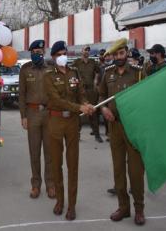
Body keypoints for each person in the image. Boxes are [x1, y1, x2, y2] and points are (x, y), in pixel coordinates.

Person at [44, 40, 95, 221]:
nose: (62, 57)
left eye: (64, 53)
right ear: (53, 57)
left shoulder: (74, 73)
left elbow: (81, 93)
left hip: (73, 123)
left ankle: (71, 205)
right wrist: (78, 107)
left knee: (73, 164)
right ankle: (60, 200)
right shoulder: (48, 76)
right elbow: (56, 100)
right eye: (58, 55)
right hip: (55, 121)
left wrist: (86, 103)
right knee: (56, 164)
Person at [98, 38, 146, 226]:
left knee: (135, 171)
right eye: (115, 54)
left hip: (133, 128)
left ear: (126, 53)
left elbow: (146, 97)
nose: (118, 57)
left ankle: (139, 209)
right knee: (118, 170)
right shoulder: (107, 73)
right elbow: (101, 95)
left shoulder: (138, 73)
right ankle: (123, 208)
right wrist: (103, 109)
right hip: (115, 128)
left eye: (121, 53)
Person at [19, 39, 55, 199]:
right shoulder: (25, 69)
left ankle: (51, 185)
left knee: (49, 152)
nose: (37, 55)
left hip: (49, 114)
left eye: (40, 53)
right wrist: (23, 116)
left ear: (44, 52)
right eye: (34, 53)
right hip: (32, 114)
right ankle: (35, 185)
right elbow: (21, 94)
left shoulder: (51, 68)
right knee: (34, 152)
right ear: (31, 53)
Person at [73, 45, 103, 143]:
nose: (86, 52)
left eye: (88, 50)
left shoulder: (93, 62)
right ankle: (76, 135)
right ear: (81, 51)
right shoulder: (76, 62)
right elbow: (71, 73)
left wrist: (95, 80)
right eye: (85, 50)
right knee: (79, 114)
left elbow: (99, 72)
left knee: (93, 113)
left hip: (91, 91)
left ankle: (97, 135)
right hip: (80, 91)